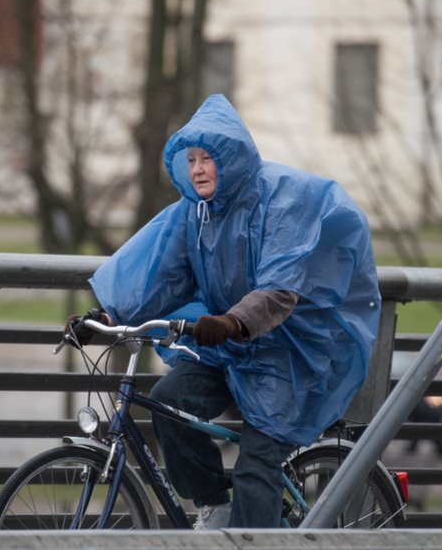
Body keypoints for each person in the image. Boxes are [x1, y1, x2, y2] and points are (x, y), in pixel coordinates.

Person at [76, 94, 380, 530]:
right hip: (234, 346)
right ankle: (216, 508)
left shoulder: (280, 202)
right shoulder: (195, 213)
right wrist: (105, 319)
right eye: (191, 160)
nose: (197, 169)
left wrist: (233, 321)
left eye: (207, 159)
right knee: (169, 400)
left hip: (294, 353)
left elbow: (280, 289)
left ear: (231, 160)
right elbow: (158, 272)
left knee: (256, 464)